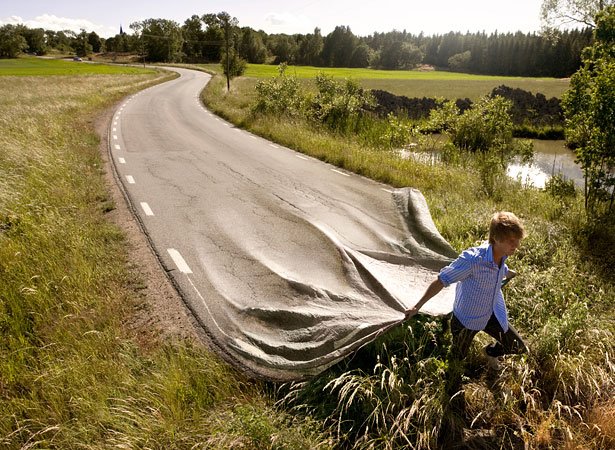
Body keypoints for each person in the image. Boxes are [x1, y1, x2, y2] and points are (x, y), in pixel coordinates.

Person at [406, 211, 528, 373]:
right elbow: (442, 280)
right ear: (497, 238)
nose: (516, 245)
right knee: (456, 362)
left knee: (518, 347)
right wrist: (417, 306)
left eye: (518, 240)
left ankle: (490, 352)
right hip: (466, 320)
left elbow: (495, 269)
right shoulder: (473, 260)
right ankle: (452, 387)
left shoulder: (502, 253)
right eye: (512, 241)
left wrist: (505, 272)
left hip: (492, 313)